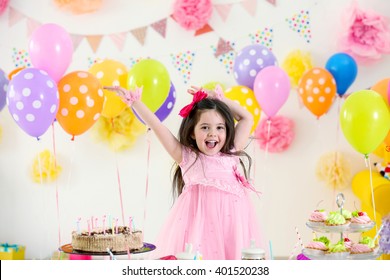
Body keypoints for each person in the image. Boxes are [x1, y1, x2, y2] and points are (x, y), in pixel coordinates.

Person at [105, 84, 263, 260]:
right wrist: (135, 103)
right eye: (204, 127)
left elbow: (246, 118)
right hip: (197, 230)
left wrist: (217, 98)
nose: (213, 133)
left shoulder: (231, 152)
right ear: (193, 132)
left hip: (231, 227)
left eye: (220, 127)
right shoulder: (187, 157)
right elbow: (157, 126)